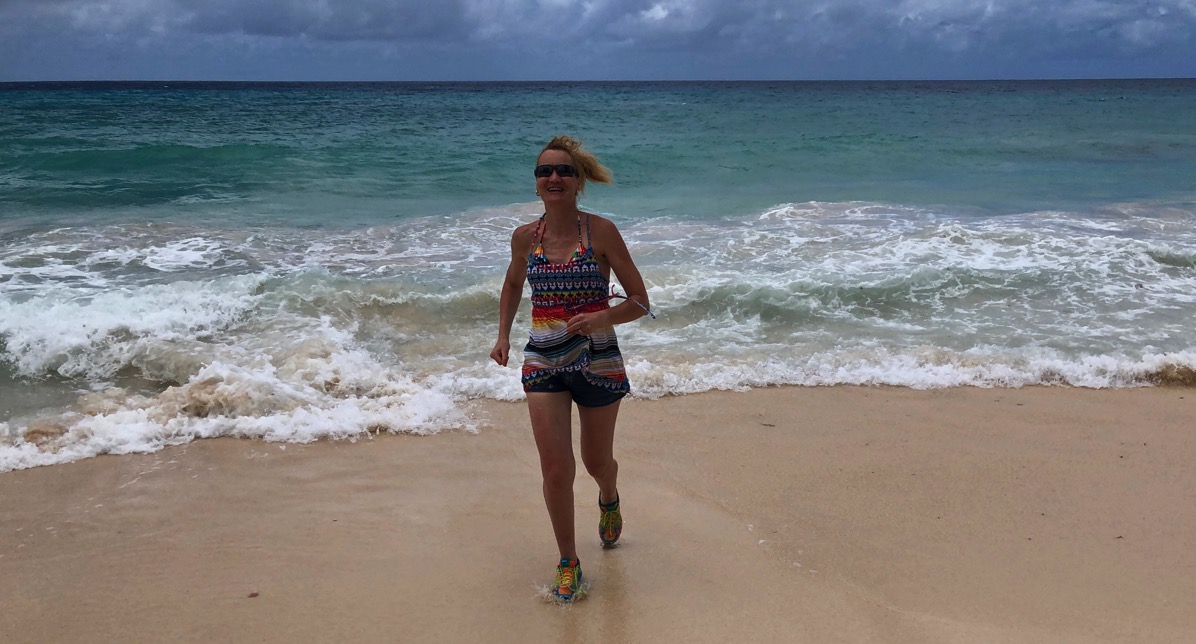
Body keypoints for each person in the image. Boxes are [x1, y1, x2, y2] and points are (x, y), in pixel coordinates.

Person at [490, 135, 651, 602]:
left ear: (578, 182)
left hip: (598, 359)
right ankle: (569, 562)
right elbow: (512, 284)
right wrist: (502, 336)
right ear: (536, 184)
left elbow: (640, 301)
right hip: (543, 359)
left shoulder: (600, 232)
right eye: (544, 172)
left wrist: (604, 316)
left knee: (596, 461)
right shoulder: (524, 237)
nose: (553, 178)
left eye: (563, 171)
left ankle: (609, 496)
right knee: (556, 469)